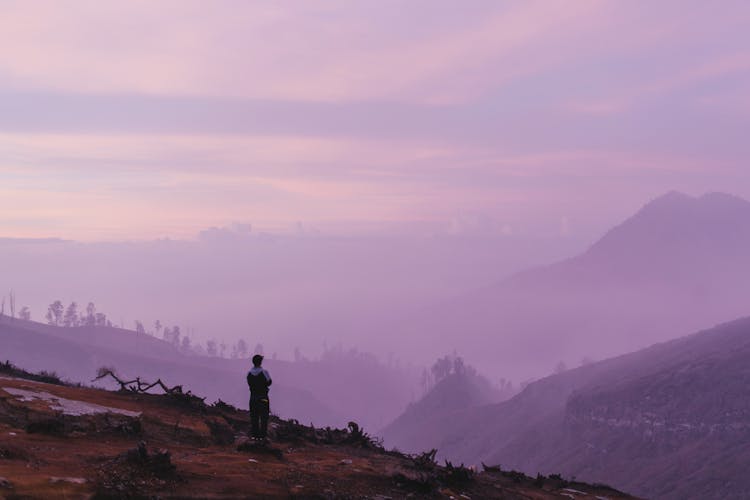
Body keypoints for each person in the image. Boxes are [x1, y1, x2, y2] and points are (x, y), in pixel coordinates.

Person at [246, 354, 272, 440]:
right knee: (264, 417)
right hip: (263, 397)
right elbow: (269, 382)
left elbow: (249, 383)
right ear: (260, 362)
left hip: (253, 398)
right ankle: (262, 437)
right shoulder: (264, 372)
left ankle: (254, 436)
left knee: (254, 417)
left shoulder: (249, 373)